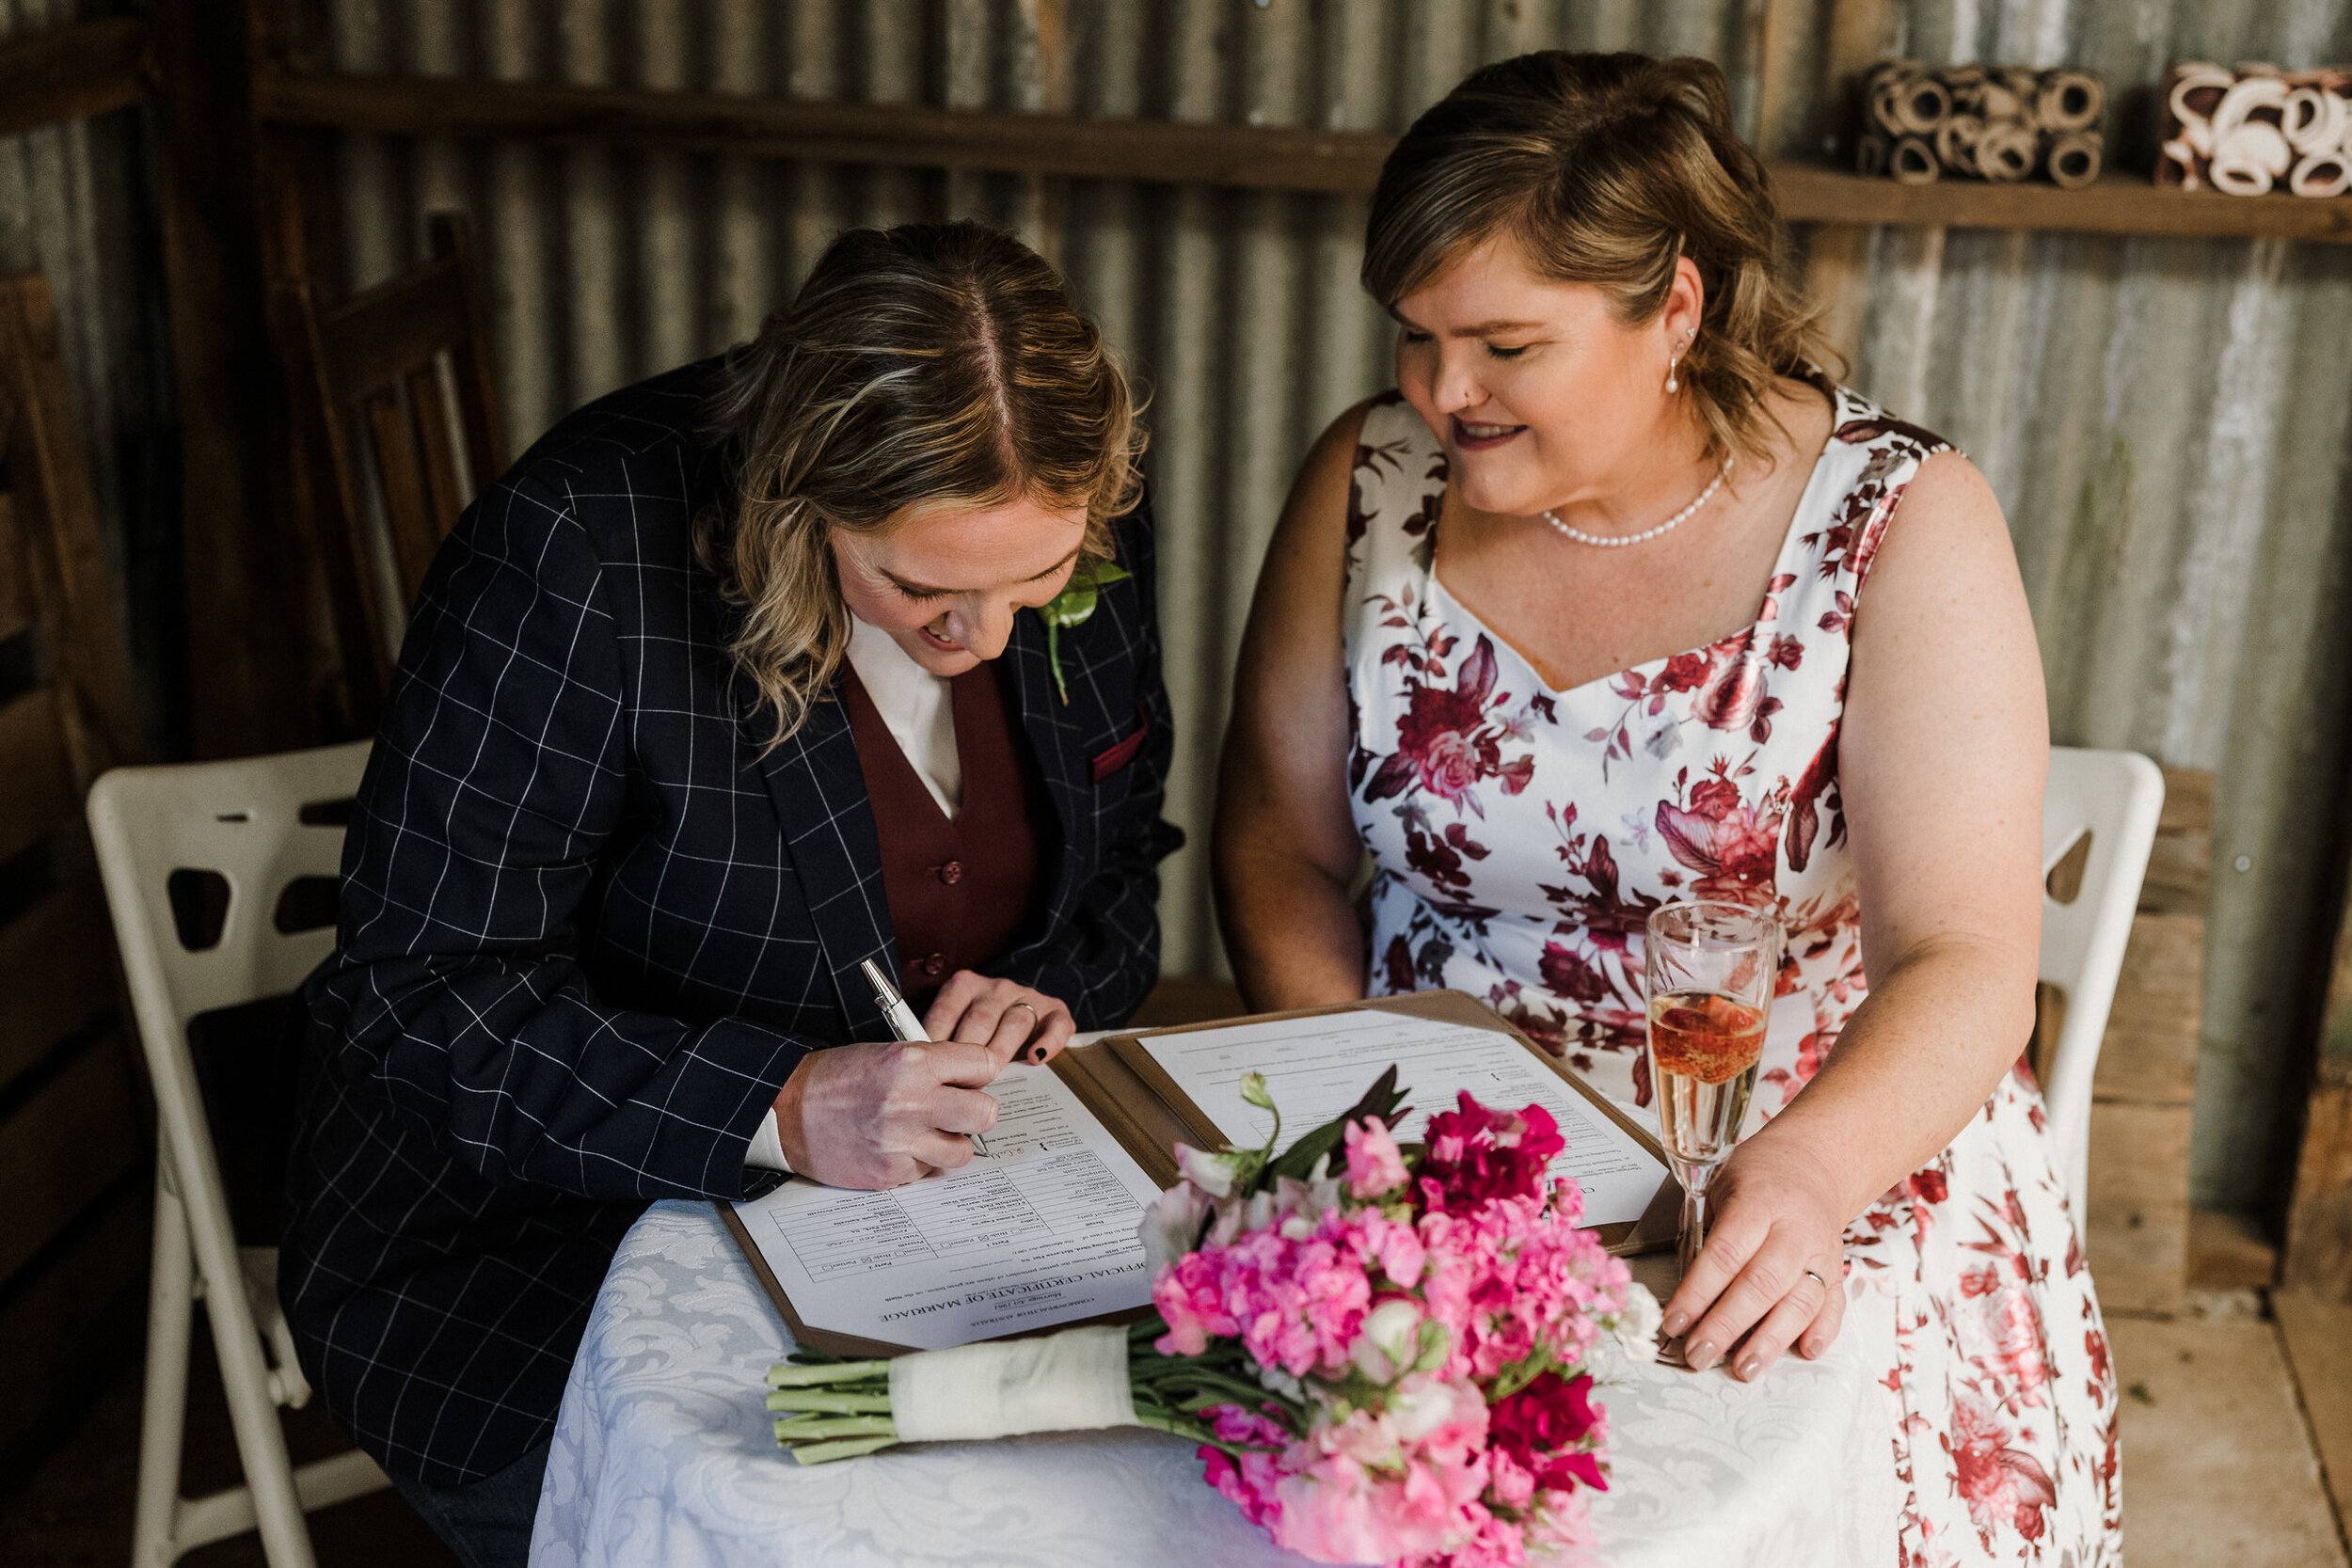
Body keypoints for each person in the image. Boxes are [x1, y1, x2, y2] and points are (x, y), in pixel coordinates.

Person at [1216, 52, 2119, 1563]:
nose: (1441, 393)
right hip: (1435, 1140)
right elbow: (1279, 842)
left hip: (1806, 1155)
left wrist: (1821, 1170)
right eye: (1417, 339)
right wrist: (1364, 1104)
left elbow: (1965, 955)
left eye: (1504, 344)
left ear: (1675, 313)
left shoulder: (1899, 521)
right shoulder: (1368, 482)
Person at [282, 220, 1181, 1566]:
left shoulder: (1064, 504)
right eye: (918, 586)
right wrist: (773, 1105)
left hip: (951, 1229)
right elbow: (411, 996)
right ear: (799, 493)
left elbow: (1120, 861)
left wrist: (1051, 989)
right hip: (536, 1249)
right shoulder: (579, 553)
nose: (979, 640)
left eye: (1034, 584)